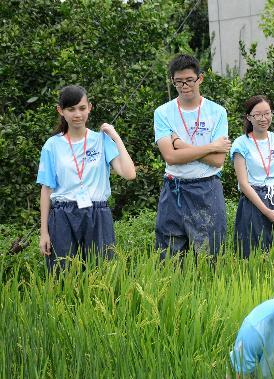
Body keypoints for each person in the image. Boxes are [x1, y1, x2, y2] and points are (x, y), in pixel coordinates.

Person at [37, 85, 136, 270]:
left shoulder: (101, 140)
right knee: (62, 273)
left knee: (102, 272)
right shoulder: (52, 145)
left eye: (82, 108)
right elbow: (46, 189)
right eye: (71, 109)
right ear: (61, 111)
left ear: (89, 107)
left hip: (98, 213)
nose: (77, 114)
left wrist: (115, 136)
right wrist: (44, 232)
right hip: (63, 215)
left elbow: (129, 174)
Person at [153, 54, 231, 258]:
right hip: (174, 188)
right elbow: (170, 157)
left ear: (200, 78)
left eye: (189, 80)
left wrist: (181, 145)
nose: (184, 86)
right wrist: (211, 146)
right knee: (168, 256)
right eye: (178, 81)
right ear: (172, 81)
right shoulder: (162, 112)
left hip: (207, 187)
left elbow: (217, 160)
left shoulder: (217, 112)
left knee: (210, 256)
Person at [231, 96, 274, 258]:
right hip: (254, 202)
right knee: (254, 255)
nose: (263, 118)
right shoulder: (241, 144)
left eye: (267, 113)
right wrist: (266, 211)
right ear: (249, 117)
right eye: (258, 115)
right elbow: (243, 184)